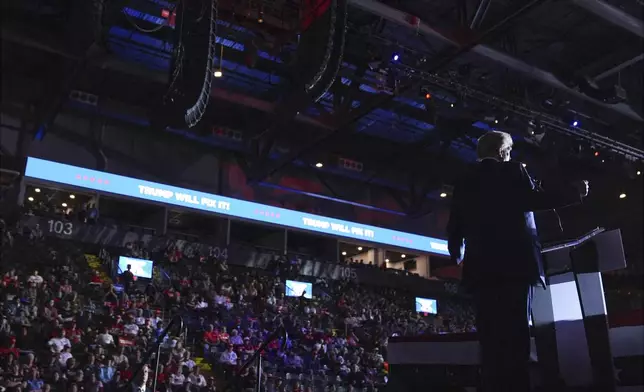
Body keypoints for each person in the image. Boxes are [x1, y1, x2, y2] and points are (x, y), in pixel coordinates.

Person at [447, 131, 589, 392]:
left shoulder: (464, 179)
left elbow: (454, 223)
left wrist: (456, 252)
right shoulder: (513, 172)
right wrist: (574, 192)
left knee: (489, 337)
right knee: (516, 337)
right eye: (510, 150)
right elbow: (535, 200)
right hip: (516, 267)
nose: (511, 155)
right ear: (503, 152)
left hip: (481, 270)